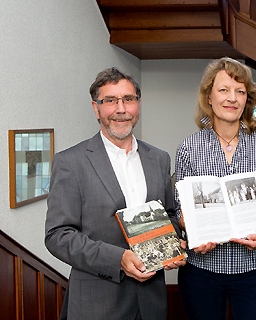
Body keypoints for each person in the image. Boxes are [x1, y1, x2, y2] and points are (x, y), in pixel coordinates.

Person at [45, 67, 185, 320]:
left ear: (137, 105)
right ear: (96, 107)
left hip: (151, 303)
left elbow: (170, 215)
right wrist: (118, 258)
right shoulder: (71, 162)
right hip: (97, 305)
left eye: (128, 99)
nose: (121, 109)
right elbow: (58, 236)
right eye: (110, 100)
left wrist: (171, 246)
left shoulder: (159, 159)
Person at [174, 57, 256, 320]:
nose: (232, 98)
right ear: (209, 96)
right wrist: (194, 232)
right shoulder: (188, 148)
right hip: (201, 270)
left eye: (240, 91)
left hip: (254, 269)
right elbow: (181, 209)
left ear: (247, 100)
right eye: (224, 90)